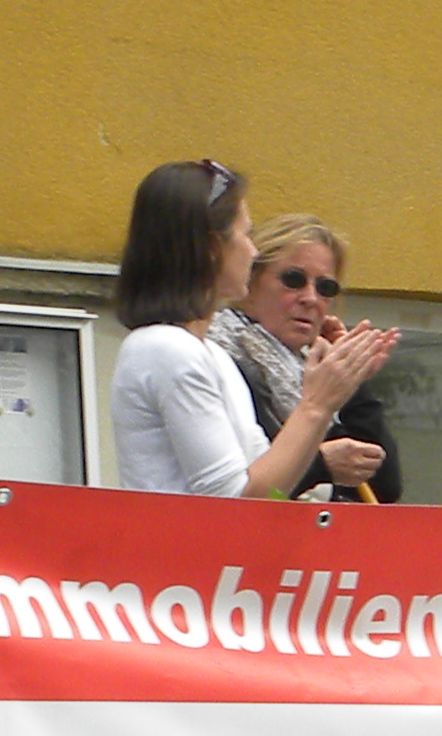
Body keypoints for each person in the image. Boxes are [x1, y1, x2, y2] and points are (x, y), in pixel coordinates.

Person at [107, 160, 391, 497]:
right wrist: (316, 405)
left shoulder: (211, 355)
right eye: (245, 234)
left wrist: (338, 387)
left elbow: (272, 484)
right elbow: (232, 500)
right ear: (213, 248)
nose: (253, 251)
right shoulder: (166, 348)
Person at [218, 212, 402, 501]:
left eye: (325, 288)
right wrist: (321, 466)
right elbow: (240, 488)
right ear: (250, 279)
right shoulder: (220, 356)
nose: (310, 298)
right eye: (294, 280)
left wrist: (350, 376)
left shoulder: (309, 366)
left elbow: (384, 487)